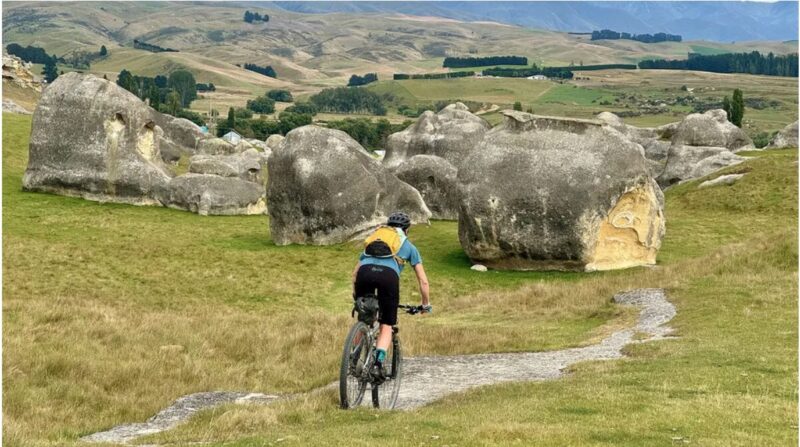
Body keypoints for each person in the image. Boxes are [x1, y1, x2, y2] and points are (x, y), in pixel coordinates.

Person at [352, 211, 431, 380]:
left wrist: (356, 296)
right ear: (406, 230)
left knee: (364, 318)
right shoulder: (409, 247)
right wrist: (425, 304)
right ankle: (378, 365)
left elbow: (355, 273)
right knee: (386, 324)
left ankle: (353, 358)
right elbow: (423, 281)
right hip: (388, 277)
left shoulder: (375, 239)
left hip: (364, 274)